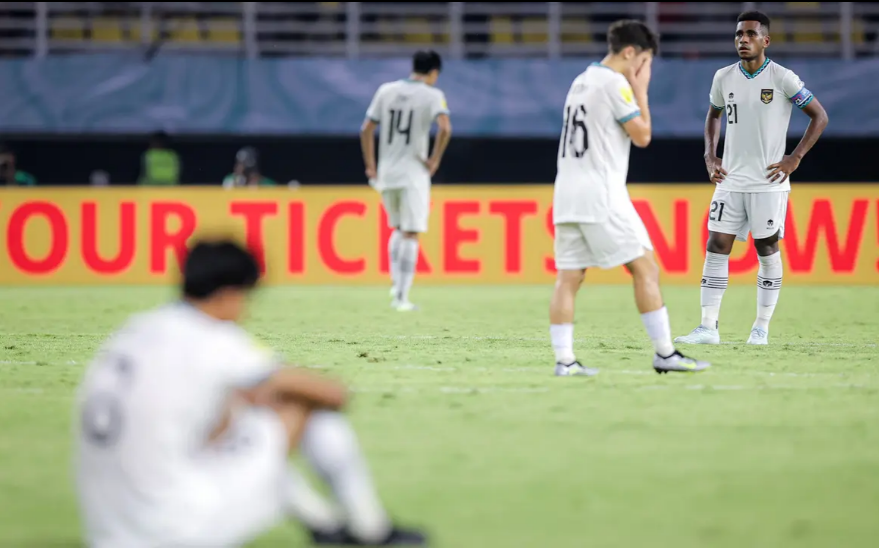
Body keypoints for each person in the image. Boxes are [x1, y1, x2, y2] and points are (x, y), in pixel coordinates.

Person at [75, 239, 426, 547]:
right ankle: (367, 527)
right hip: (180, 529)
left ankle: (324, 523)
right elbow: (333, 394)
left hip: (109, 531)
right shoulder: (213, 338)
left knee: (238, 417)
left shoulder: (134, 330)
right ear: (229, 293)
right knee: (302, 404)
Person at [549, 20, 710, 377]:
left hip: (566, 194)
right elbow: (642, 135)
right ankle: (665, 353)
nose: (644, 69)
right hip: (601, 193)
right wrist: (642, 91)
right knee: (645, 267)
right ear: (629, 53)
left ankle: (564, 360)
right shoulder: (613, 83)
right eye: (645, 61)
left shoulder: (581, 80)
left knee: (569, 277)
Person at [675, 11, 828, 346]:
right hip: (730, 180)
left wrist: (795, 157)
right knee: (716, 245)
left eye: (750, 34)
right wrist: (710, 155)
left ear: (765, 40)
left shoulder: (783, 78)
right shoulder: (723, 77)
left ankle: (760, 328)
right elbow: (713, 115)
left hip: (767, 182)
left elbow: (819, 116)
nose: (743, 39)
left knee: (766, 247)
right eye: (738, 34)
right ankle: (708, 327)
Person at [360, 50, 452, 312]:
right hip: (413, 173)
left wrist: (371, 166)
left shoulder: (386, 90)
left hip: (387, 172)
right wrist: (435, 159)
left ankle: (395, 283)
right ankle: (401, 298)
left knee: (399, 228)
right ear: (433, 72)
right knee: (410, 232)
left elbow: (366, 129)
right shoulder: (433, 95)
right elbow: (445, 127)